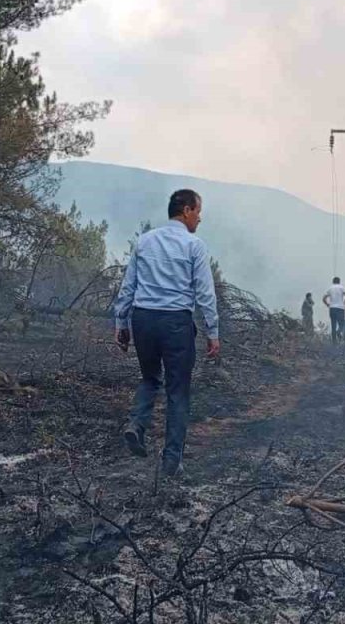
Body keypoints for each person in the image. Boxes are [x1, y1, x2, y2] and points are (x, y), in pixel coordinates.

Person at [114, 189, 220, 478]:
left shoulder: (145, 241)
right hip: (176, 323)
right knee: (177, 392)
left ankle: (137, 424)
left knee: (150, 378)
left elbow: (128, 287)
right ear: (186, 210)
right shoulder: (194, 245)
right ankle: (172, 461)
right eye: (198, 211)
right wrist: (213, 331)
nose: (200, 217)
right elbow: (205, 294)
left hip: (143, 319)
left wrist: (121, 323)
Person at [322, 277, 345, 343]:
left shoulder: (330, 288)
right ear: (339, 281)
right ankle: (339, 332)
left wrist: (327, 304)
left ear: (333, 281)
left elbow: (323, 298)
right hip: (340, 308)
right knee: (342, 324)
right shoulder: (341, 287)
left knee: (333, 325)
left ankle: (334, 342)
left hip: (332, 308)